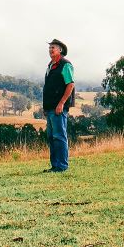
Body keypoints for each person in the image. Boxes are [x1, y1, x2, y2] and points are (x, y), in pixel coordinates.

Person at [42, 38, 75, 172]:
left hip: (59, 108)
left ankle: (62, 165)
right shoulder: (50, 65)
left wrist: (61, 103)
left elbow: (70, 84)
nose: (50, 50)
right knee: (51, 137)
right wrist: (46, 107)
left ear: (60, 50)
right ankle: (55, 165)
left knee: (59, 136)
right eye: (49, 48)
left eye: (53, 48)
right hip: (50, 108)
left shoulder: (65, 65)